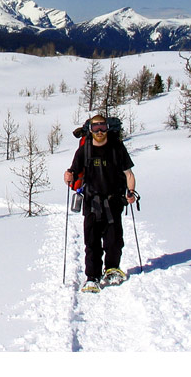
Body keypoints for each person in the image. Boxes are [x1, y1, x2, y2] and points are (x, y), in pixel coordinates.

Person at [63, 114, 137, 293]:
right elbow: (73, 171)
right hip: (91, 201)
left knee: (114, 239)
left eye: (102, 127)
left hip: (114, 201)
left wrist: (131, 192)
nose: (99, 131)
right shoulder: (84, 150)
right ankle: (92, 277)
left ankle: (112, 269)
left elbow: (128, 174)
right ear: (90, 129)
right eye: (96, 128)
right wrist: (68, 175)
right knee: (92, 241)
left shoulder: (116, 148)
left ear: (107, 128)